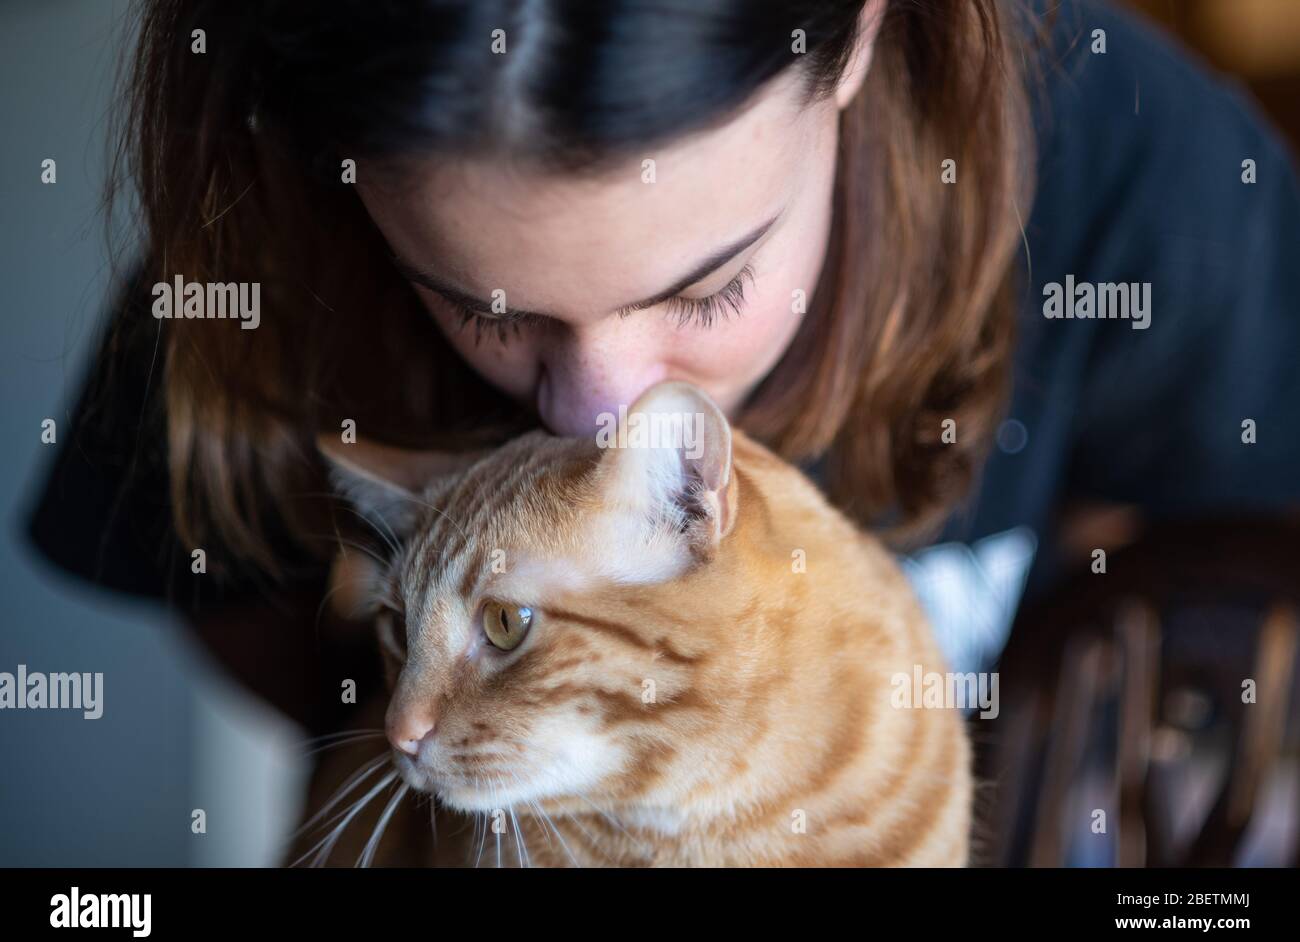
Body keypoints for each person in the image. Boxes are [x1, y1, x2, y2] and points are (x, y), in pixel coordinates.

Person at [28, 0, 1300, 737]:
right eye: (483, 311)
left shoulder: (1128, 161)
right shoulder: (265, 233)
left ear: (855, 36)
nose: (599, 411)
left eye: (706, 289)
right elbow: (217, 577)